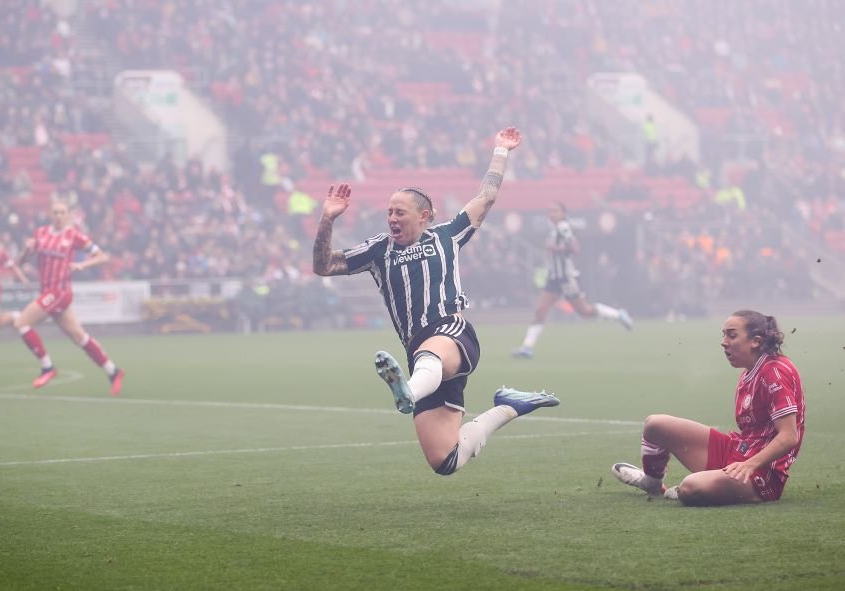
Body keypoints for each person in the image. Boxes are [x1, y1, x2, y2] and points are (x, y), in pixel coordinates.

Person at [313, 127, 560, 476]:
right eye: (389, 212)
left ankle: (407, 390)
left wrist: (501, 151)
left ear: (424, 216)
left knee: (430, 354)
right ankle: (509, 407)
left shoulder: (448, 235)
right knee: (445, 459)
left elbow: (486, 196)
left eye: (400, 212)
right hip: (419, 353)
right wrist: (327, 218)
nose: (392, 219)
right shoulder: (377, 250)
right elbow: (323, 266)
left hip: (452, 332)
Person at [612, 310, 805, 505]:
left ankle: (699, 487)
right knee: (654, 424)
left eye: (732, 335)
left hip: (760, 474)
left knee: (690, 487)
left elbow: (789, 436)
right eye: (723, 334)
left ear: (755, 341)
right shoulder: (750, 371)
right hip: (739, 452)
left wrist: (750, 464)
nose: (724, 341)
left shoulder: (775, 372)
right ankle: (653, 483)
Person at [16, 201, 125, 395]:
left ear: (68, 216)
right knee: (79, 337)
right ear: (50, 214)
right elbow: (21, 261)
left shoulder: (74, 235)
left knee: (22, 323)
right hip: (47, 292)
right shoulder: (40, 233)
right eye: (55, 212)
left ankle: (47, 367)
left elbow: (102, 257)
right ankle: (113, 371)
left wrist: (83, 265)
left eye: (62, 212)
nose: (58, 215)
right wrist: (27, 249)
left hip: (60, 292)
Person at [511, 201, 632, 358]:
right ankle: (527, 347)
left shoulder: (563, 228)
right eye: (550, 211)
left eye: (555, 211)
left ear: (563, 213)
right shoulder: (555, 229)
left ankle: (618, 314)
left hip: (566, 278)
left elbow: (574, 247)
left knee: (585, 311)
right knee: (540, 310)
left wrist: (554, 249)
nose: (552, 214)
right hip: (554, 277)